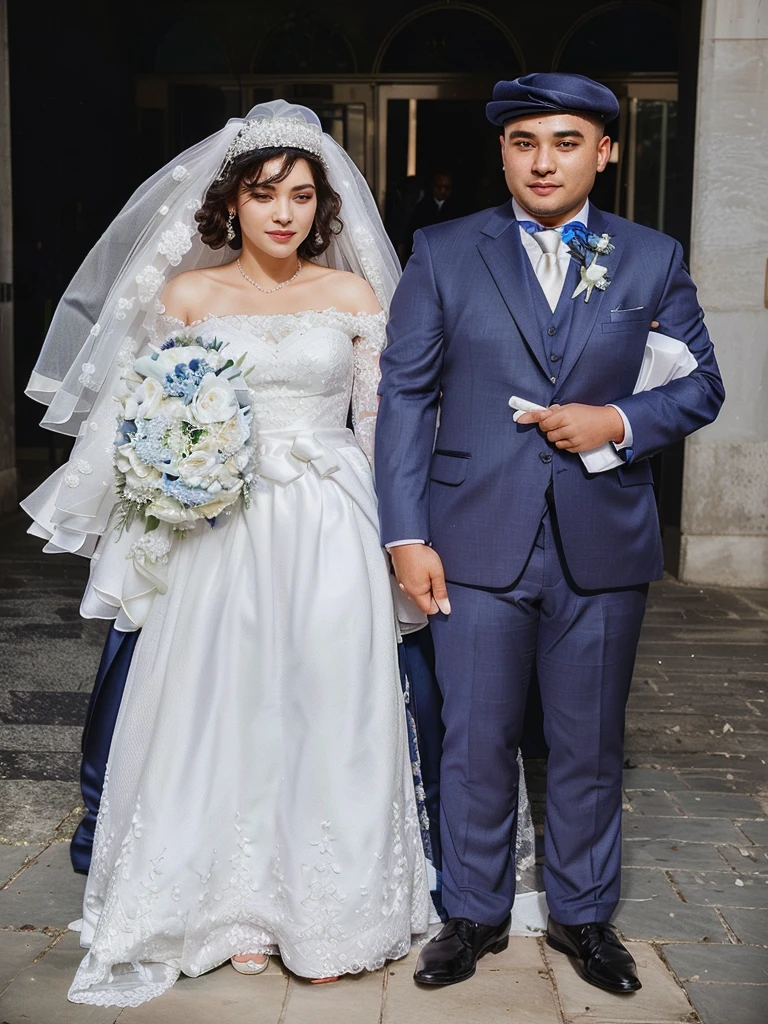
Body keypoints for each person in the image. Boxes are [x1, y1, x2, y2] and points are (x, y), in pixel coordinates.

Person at [22, 100, 432, 1005]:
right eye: (263, 194)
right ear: (231, 204)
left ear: (324, 206)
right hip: (221, 526)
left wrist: (403, 538)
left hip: (329, 522)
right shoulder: (187, 299)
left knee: (329, 703)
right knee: (225, 704)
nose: (283, 213)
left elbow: (381, 430)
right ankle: (235, 908)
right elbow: (139, 417)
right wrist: (157, 490)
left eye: (300, 196)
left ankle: (327, 911)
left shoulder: (354, 296)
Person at [375, 72, 724, 992]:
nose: (543, 159)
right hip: (472, 534)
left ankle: (582, 917)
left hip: (602, 541)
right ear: (502, 151)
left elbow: (699, 386)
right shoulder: (446, 251)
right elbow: (405, 395)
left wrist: (615, 423)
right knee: (473, 737)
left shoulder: (649, 257)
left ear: (604, 151)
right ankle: (473, 914)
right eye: (525, 141)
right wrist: (405, 533)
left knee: (588, 739)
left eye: (566, 141)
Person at [398, 169, 459, 263]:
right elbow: (410, 232)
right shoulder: (422, 207)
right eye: (438, 186)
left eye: (446, 187)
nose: (442, 190)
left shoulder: (456, 210)